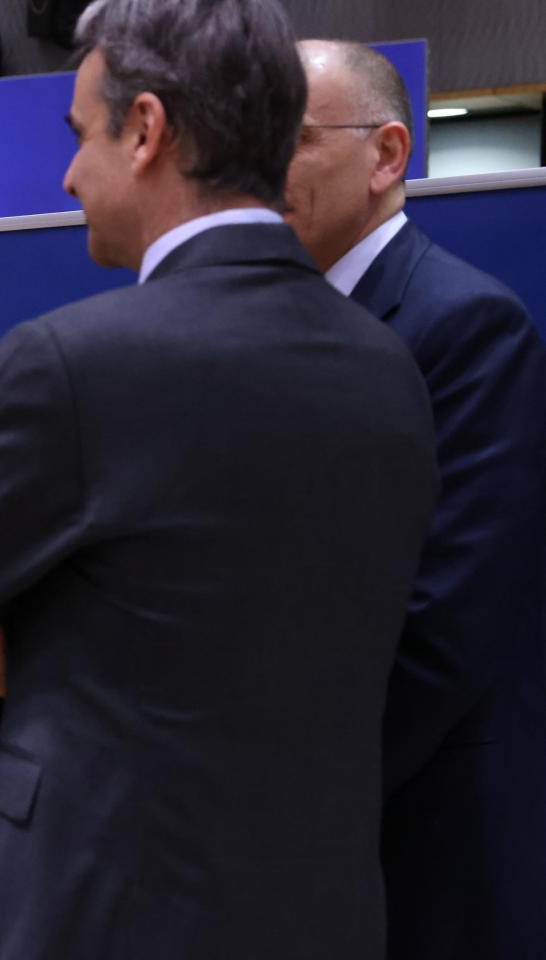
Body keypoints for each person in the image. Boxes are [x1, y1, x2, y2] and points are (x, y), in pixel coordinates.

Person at [0, 1, 441, 957]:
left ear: (149, 131)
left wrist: (33, 645)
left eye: (82, 136)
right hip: (322, 909)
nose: (71, 173)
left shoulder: (74, 366)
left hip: (99, 907)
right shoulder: (389, 370)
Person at [283, 40, 546, 960]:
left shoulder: (464, 324)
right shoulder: (266, 327)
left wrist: (286, 801)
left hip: (424, 828)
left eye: (291, 138)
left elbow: (444, 620)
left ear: (387, 156)